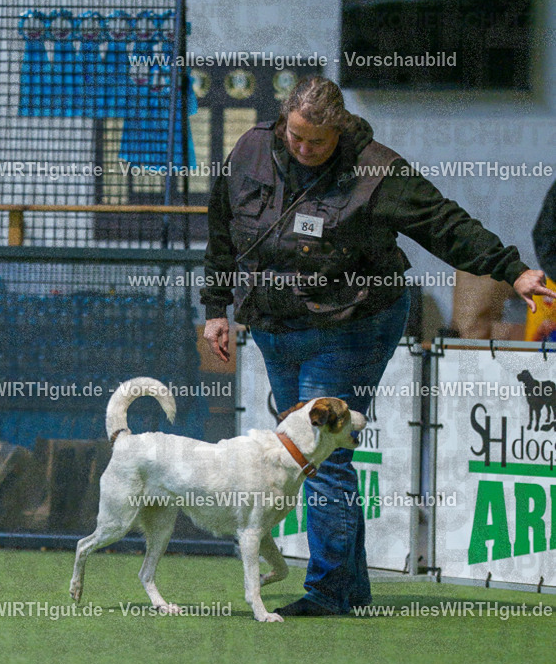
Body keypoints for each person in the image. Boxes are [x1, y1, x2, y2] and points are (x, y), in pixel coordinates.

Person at [201, 76, 555, 617]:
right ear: (283, 122)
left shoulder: (377, 172)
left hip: (352, 318)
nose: (303, 149)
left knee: (322, 454)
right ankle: (347, 586)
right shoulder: (250, 148)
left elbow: (444, 223)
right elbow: (223, 229)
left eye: (316, 142)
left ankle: (332, 592)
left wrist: (514, 270)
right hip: (275, 319)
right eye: (296, 136)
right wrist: (215, 308)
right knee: (296, 451)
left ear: (338, 132)